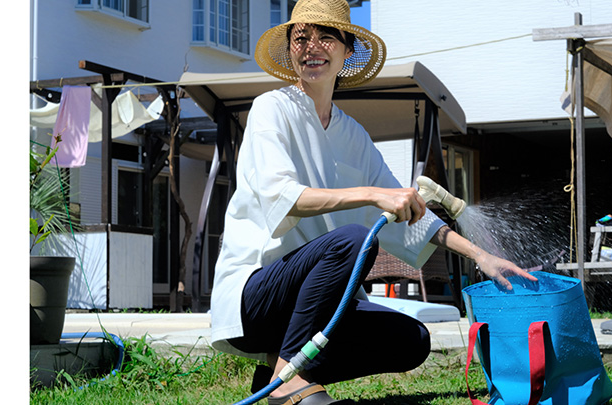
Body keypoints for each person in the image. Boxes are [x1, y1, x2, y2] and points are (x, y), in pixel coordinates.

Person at [210, 1, 538, 404]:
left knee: (411, 340)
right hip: (256, 296)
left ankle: (278, 372)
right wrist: (371, 194)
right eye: (301, 37)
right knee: (351, 241)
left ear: (347, 51)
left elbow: (409, 215)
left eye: (325, 36)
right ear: (291, 51)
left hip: (313, 303)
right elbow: (285, 197)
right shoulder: (271, 110)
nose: (312, 46)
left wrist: (480, 255)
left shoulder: (354, 135)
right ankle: (289, 381)